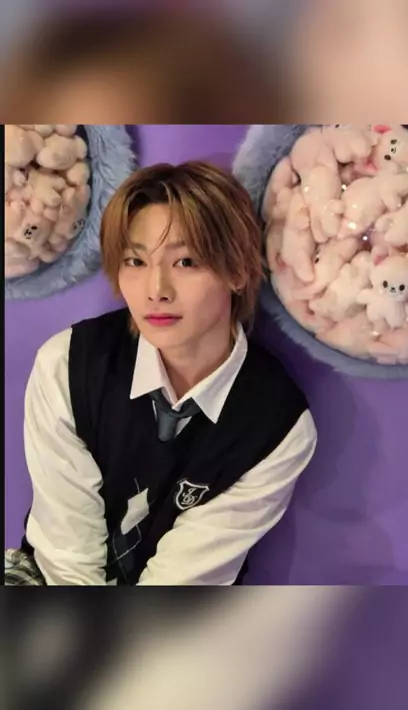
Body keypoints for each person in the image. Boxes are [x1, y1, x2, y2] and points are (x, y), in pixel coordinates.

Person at [12, 160, 317, 586]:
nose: (156, 290)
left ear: (237, 270)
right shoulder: (68, 365)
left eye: (186, 261)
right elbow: (67, 559)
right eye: (135, 261)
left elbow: (181, 582)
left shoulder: (278, 425)